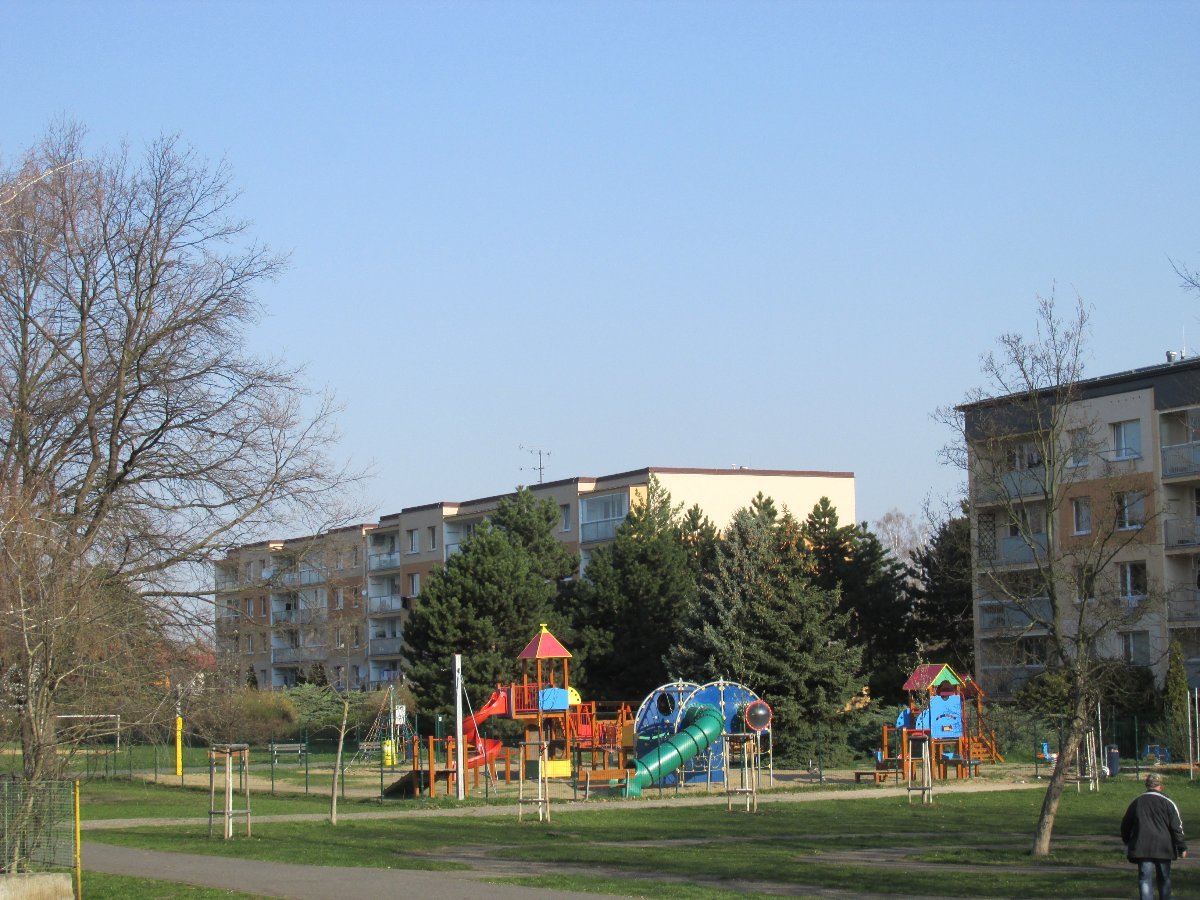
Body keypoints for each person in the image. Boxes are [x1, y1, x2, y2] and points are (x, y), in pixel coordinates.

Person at [1121, 772, 1187, 900]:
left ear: (1146, 785)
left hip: (1142, 846)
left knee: (1144, 879)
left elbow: (1125, 825)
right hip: (1163, 847)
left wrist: (1127, 841)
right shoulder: (1168, 803)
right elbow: (1176, 828)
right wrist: (1181, 847)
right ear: (1161, 786)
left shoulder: (1137, 802)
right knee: (1164, 878)